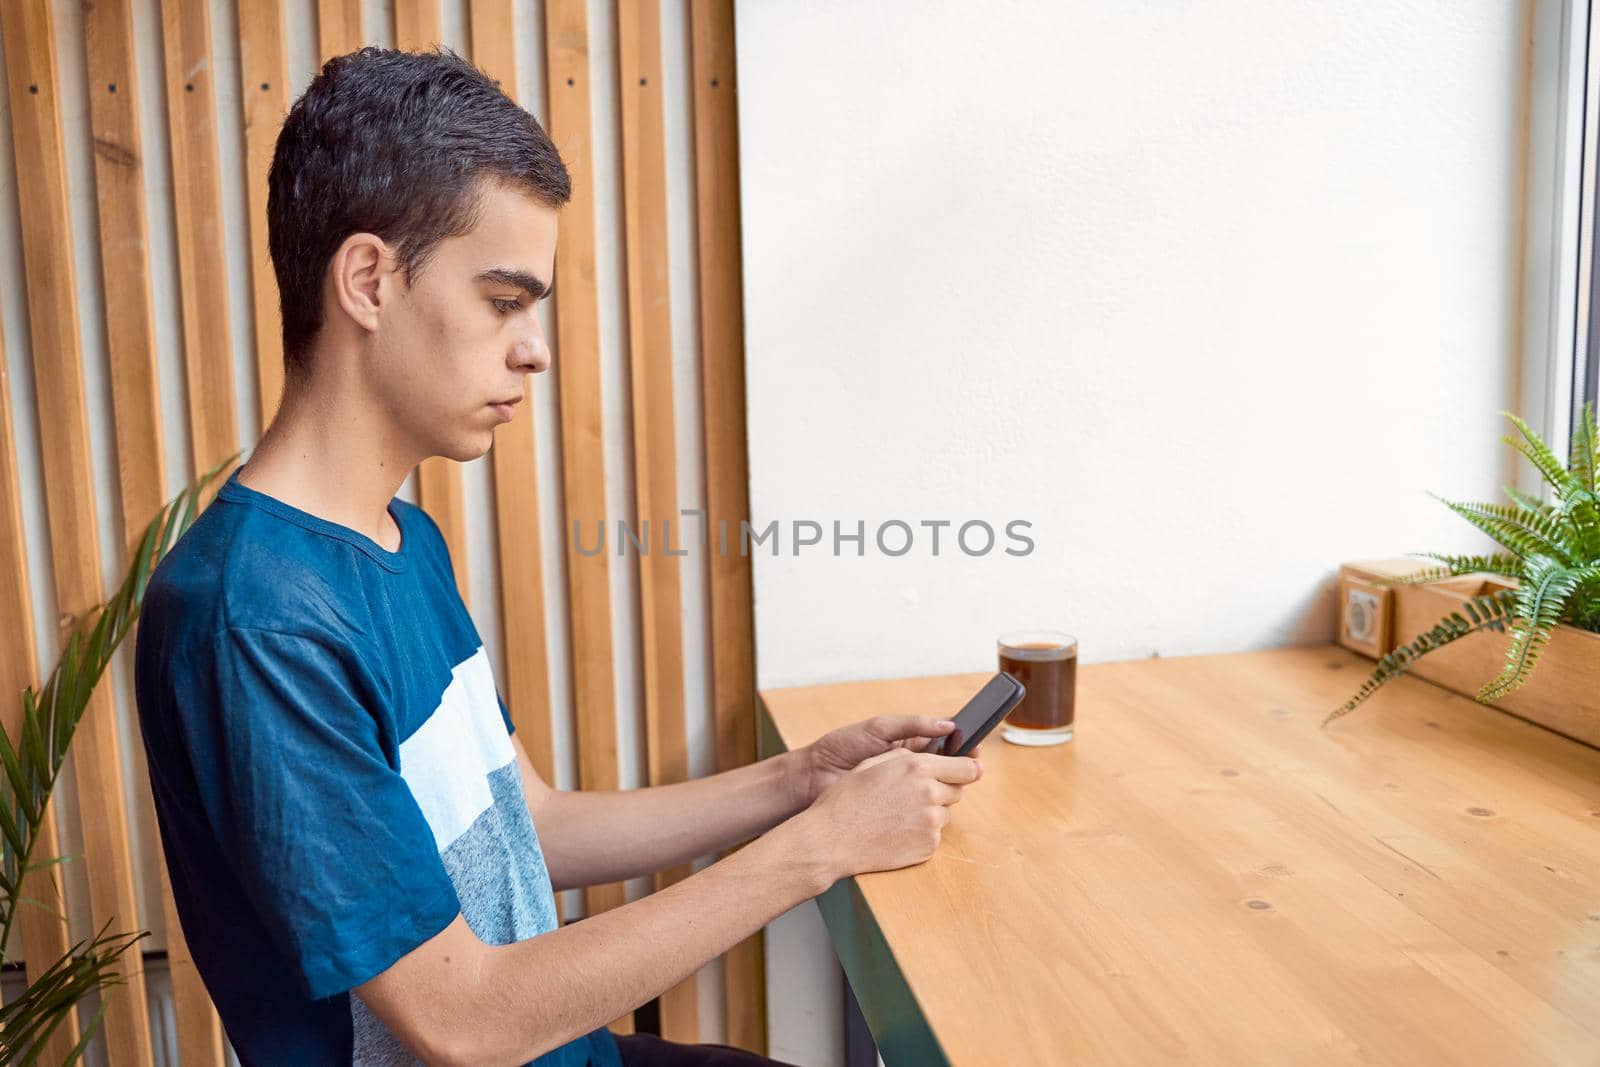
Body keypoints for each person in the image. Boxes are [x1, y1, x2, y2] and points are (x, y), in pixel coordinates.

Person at [131, 46, 983, 1067]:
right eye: (503, 301)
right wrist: (821, 846)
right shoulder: (254, 617)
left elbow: (532, 822)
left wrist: (800, 778)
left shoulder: (402, 538)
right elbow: (462, 1018)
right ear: (366, 278)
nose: (534, 346)